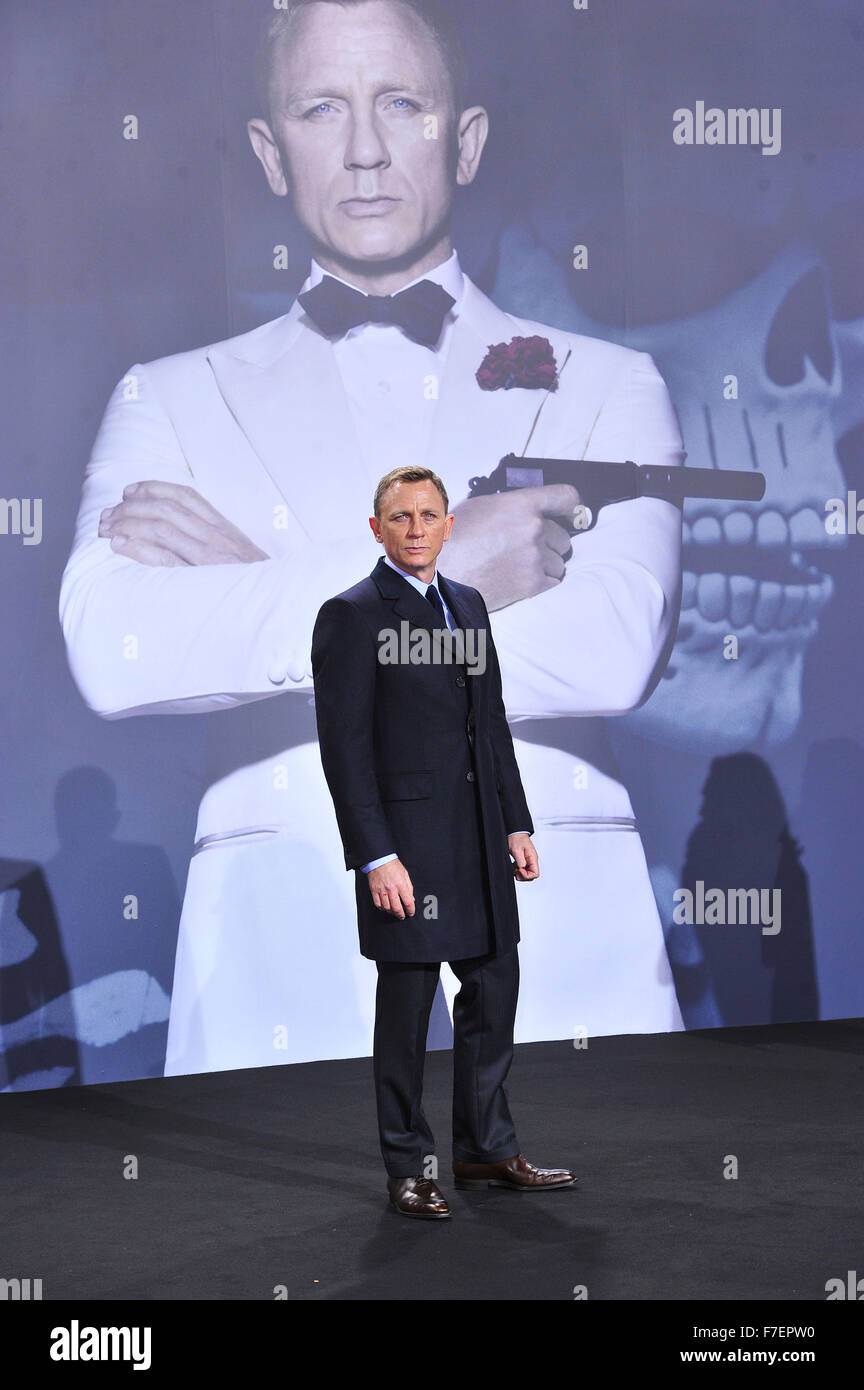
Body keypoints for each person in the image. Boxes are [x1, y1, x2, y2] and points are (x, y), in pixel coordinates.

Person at [60, 0, 685, 1079]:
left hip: (558, 955)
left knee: (594, 1248)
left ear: (467, 137)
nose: (362, 150)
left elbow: (611, 645)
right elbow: (115, 648)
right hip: (276, 966)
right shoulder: (166, 397)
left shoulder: (608, 388)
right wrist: (456, 575)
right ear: (269, 153)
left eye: (401, 102)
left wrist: (262, 588)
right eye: (319, 108)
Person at [312, 465, 576, 1216]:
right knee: (407, 1007)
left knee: (494, 989)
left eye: (429, 514)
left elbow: (488, 724)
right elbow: (346, 749)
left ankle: (485, 1152)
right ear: (377, 529)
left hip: (479, 841)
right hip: (406, 850)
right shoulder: (352, 614)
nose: (417, 527)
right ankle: (407, 1166)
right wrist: (374, 854)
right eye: (401, 516)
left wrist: (516, 820)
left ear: (449, 524)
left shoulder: (468, 605)